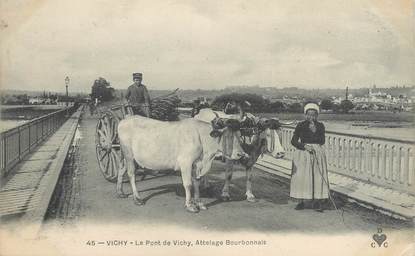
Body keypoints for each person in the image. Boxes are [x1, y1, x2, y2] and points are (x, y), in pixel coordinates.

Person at [290, 102, 329, 212]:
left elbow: (322, 141)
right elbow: (293, 141)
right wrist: (304, 146)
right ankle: (301, 201)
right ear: (305, 115)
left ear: (317, 115)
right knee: (303, 177)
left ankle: (317, 201)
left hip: (317, 153)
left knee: (317, 176)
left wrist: (314, 131)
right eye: (309, 114)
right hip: (303, 153)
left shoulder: (320, 126)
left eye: (314, 115)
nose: (311, 117)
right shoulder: (301, 125)